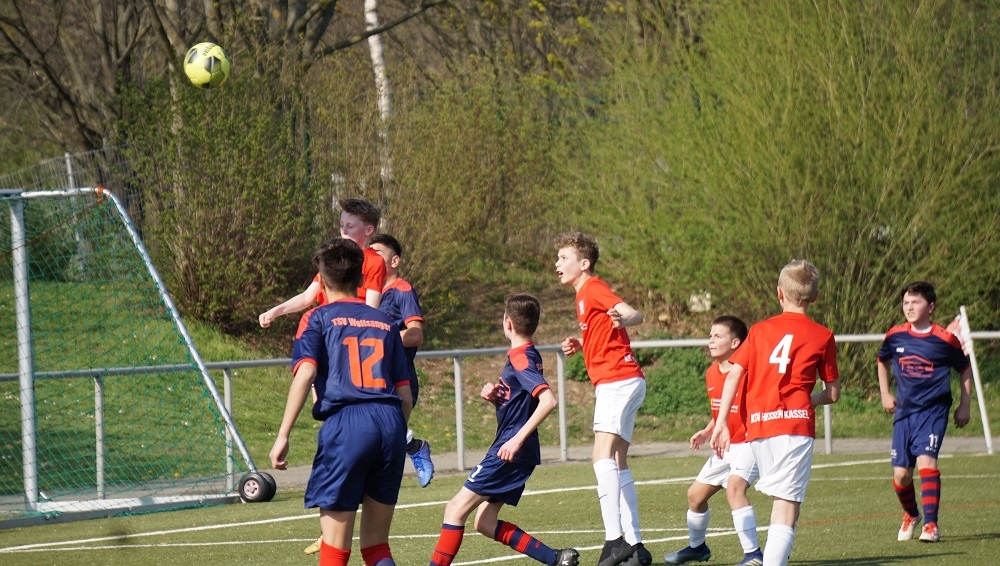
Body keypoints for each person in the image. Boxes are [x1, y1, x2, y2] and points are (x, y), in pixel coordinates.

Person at [268, 238, 412, 566]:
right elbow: (405, 396)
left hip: (348, 424)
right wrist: (391, 435)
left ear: (321, 280)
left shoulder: (317, 318)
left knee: (334, 546)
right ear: (361, 279)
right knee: (376, 546)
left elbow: (306, 374)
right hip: (390, 422)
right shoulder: (386, 322)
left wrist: (283, 435)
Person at [428, 293, 579, 566]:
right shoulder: (528, 354)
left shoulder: (521, 358)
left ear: (508, 323)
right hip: (517, 449)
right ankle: (556, 558)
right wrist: (497, 397)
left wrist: (516, 440)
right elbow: (522, 400)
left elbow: (548, 401)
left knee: (455, 509)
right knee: (485, 522)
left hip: (509, 449)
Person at [711, 259, 841, 566]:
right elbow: (833, 393)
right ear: (815, 297)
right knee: (786, 505)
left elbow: (734, 374)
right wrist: (809, 400)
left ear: (779, 292)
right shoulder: (823, 335)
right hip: (794, 428)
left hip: (758, 428)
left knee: (778, 500)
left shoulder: (759, 330)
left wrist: (721, 423)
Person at [554, 232, 652, 566]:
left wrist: (625, 317)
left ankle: (614, 542)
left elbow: (634, 314)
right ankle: (636, 547)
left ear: (584, 263)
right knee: (618, 461)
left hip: (617, 381)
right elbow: (604, 332)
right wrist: (583, 343)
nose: (557, 264)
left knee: (600, 456)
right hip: (626, 379)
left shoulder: (593, 287)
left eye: (563, 258)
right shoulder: (584, 295)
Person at [876, 281, 972, 543]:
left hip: (933, 411)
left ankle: (931, 524)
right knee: (901, 475)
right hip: (904, 412)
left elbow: (964, 368)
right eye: (905, 302)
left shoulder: (945, 339)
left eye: (915, 302)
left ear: (930, 307)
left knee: (926, 463)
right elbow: (882, 361)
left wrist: (965, 404)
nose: (909, 307)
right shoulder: (895, 335)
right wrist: (885, 393)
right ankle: (911, 514)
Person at [665, 315, 762, 566]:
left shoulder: (749, 372)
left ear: (735, 343)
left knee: (735, 490)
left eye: (718, 336)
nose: (711, 340)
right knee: (695, 496)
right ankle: (697, 548)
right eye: (710, 335)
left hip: (748, 444)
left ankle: (753, 555)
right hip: (724, 446)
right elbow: (721, 411)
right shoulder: (711, 372)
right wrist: (708, 431)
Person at [370, 233, 435, 487]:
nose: (371, 260)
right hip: (373, 376)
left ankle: (414, 448)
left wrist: (380, 338)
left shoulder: (402, 290)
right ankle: (413, 447)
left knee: (382, 437)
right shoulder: (369, 294)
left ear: (394, 261)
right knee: (375, 436)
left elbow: (416, 334)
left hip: (398, 377)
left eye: (377, 254)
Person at [259, 197, 386, 328]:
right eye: (342, 225)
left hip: (351, 328)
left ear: (368, 230)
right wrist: (275, 312)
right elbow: (307, 297)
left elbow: (371, 309)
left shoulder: (375, 261)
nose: (344, 230)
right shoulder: (335, 255)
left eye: (350, 226)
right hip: (327, 324)